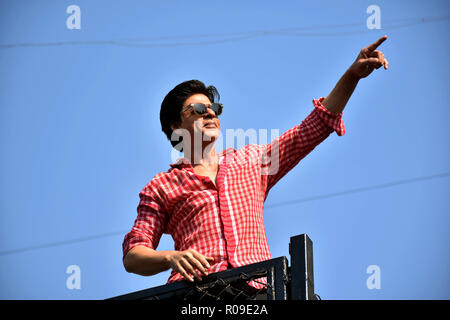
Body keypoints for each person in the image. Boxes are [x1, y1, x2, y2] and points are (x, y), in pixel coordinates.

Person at [122, 36, 389, 290]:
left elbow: (312, 128)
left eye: (215, 108)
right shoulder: (162, 186)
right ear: (175, 125)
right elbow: (134, 254)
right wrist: (172, 257)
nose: (211, 113)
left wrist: (352, 76)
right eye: (200, 110)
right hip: (196, 297)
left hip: (257, 293)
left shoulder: (251, 162)